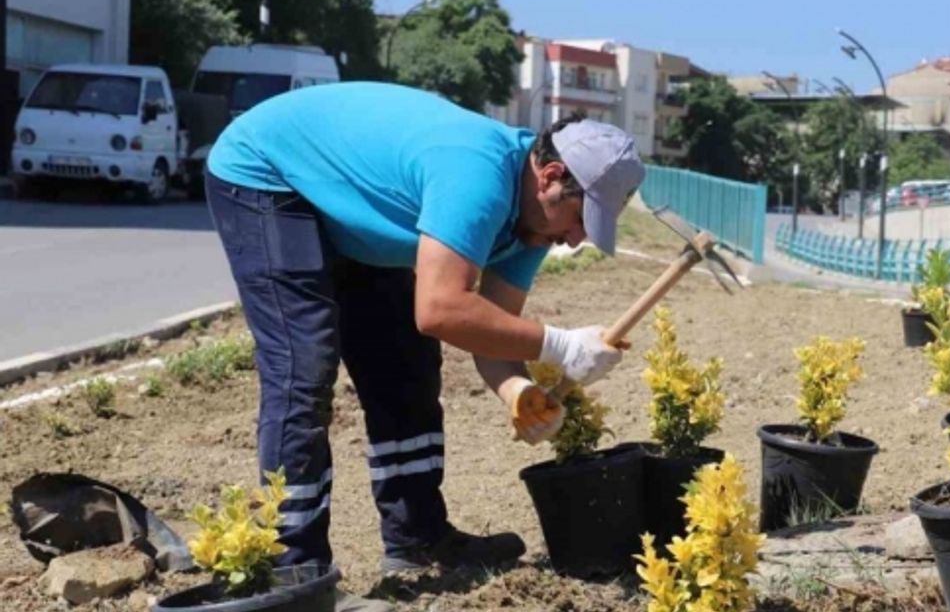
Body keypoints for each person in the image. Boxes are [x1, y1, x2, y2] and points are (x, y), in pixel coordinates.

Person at [204, 82, 643, 609]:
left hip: (347, 201)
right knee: (305, 366)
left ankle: (418, 538)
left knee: (404, 360)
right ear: (550, 178)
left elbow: (488, 329)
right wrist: (560, 345)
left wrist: (518, 391)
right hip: (267, 173)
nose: (575, 239)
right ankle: (293, 574)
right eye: (579, 220)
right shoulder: (477, 176)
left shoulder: (529, 226)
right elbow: (439, 308)